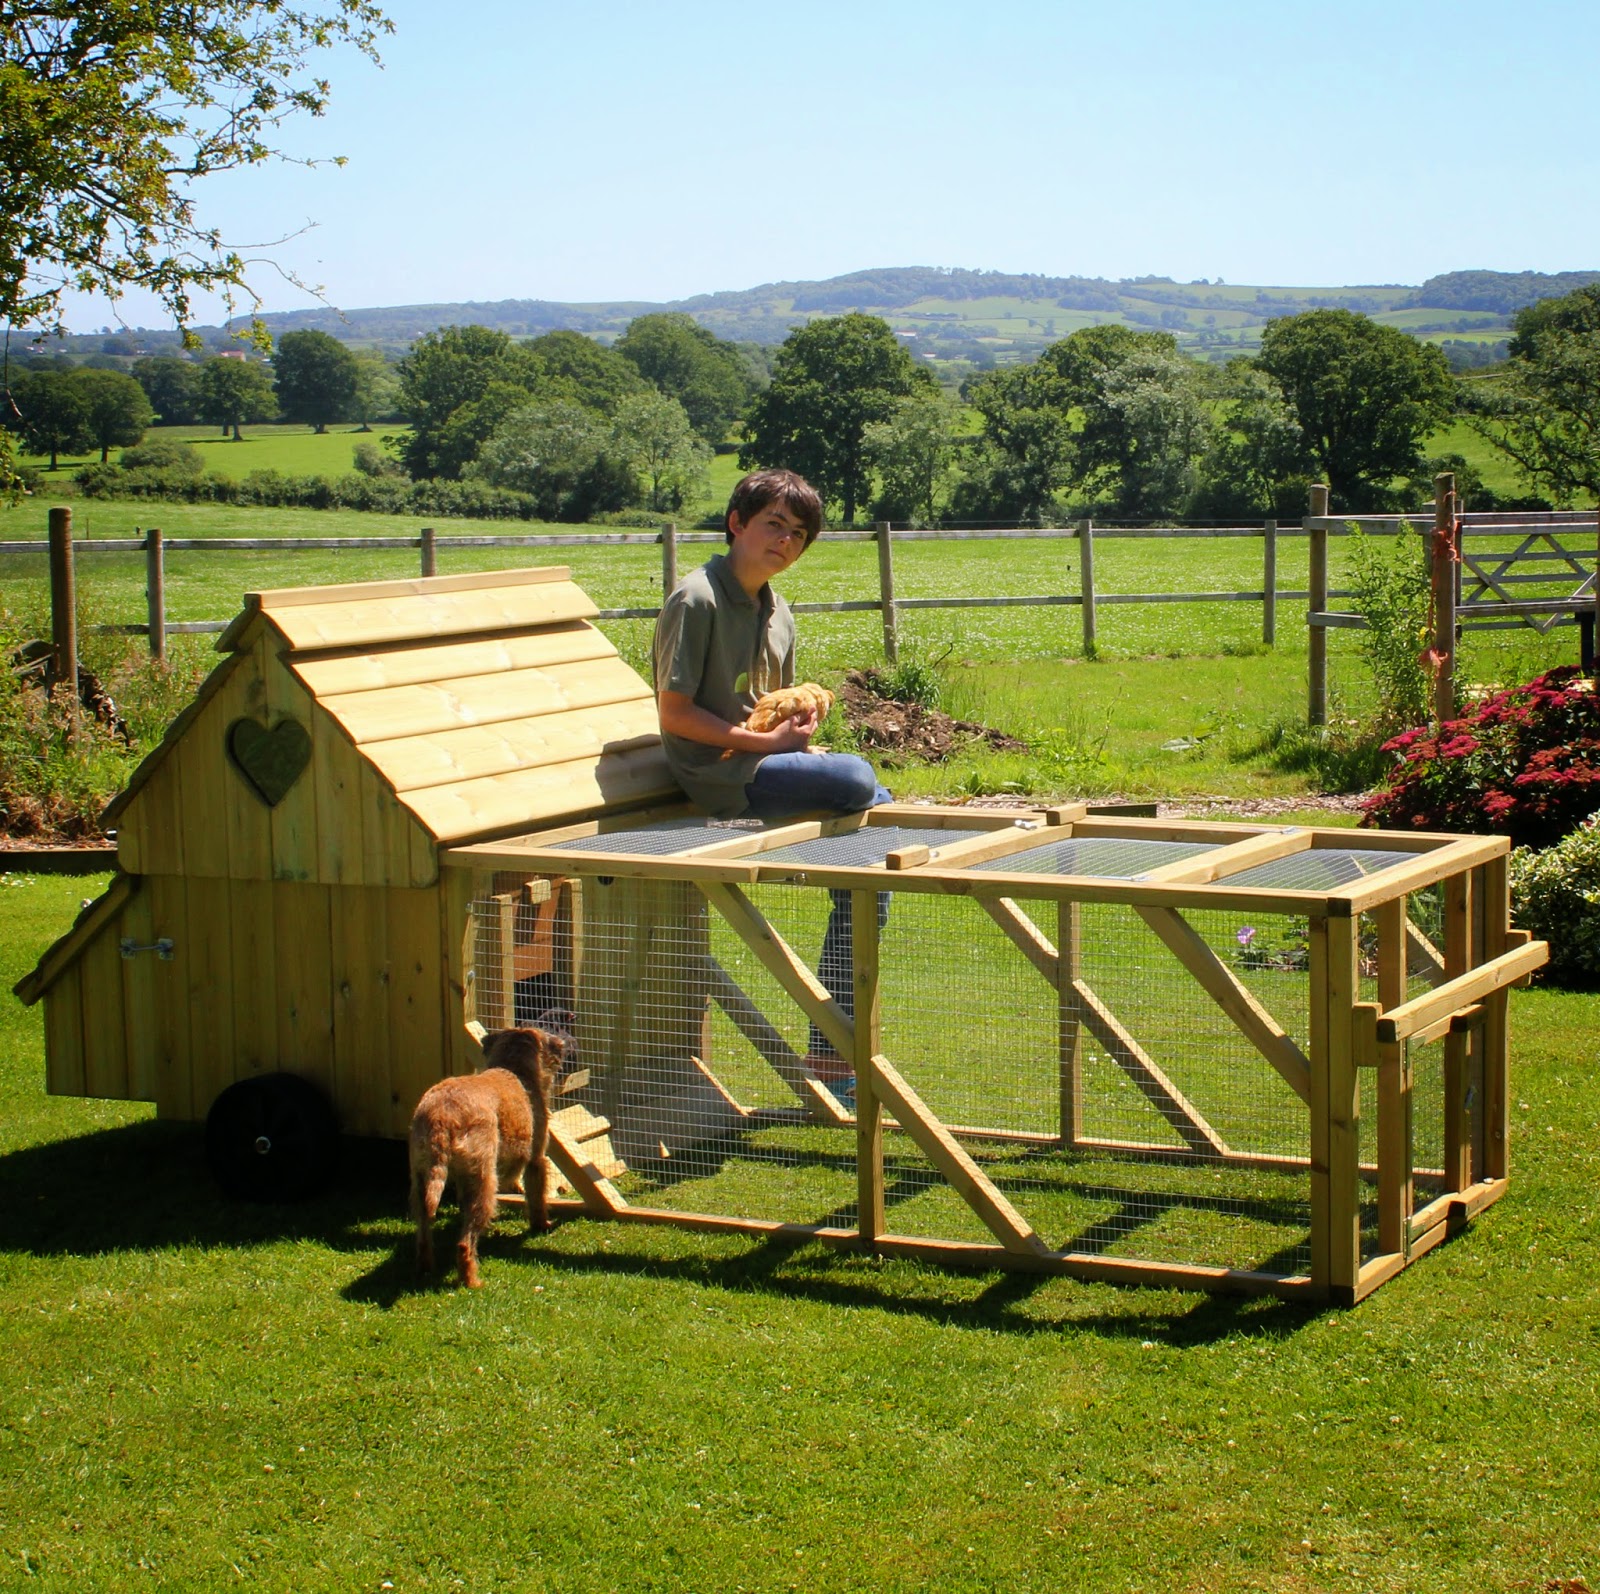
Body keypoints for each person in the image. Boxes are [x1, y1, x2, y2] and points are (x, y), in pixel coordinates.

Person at [653, 468, 889, 1097]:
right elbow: (674, 714)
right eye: (774, 525)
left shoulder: (779, 609)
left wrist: (801, 725)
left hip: (764, 762)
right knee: (858, 778)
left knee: (875, 834)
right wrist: (768, 745)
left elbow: (768, 701)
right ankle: (835, 1054)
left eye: (799, 533)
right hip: (716, 777)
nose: (785, 541)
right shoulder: (696, 598)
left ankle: (833, 1052)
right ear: (737, 524)